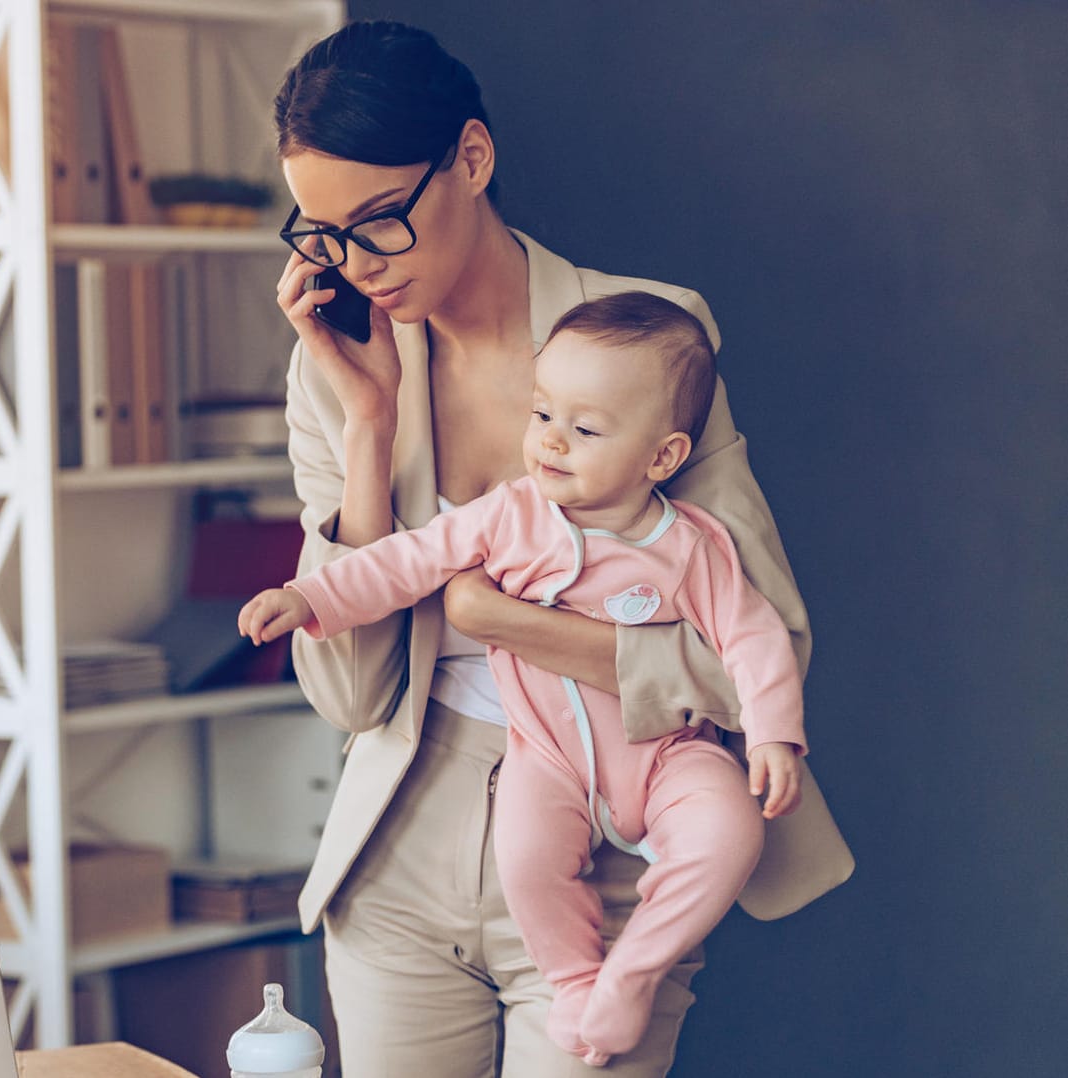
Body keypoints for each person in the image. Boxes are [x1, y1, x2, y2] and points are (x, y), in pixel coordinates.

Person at [268, 19, 854, 1078]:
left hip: (613, 845)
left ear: (473, 160)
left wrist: (508, 624)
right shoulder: (335, 371)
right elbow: (351, 697)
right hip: (400, 846)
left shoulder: (650, 340)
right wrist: (367, 427)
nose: (353, 265)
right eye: (319, 233)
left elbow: (756, 654)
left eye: (379, 221)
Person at [241, 292, 806, 1066]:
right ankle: (575, 978)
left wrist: (774, 736)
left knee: (729, 831)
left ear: (662, 457)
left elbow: (754, 637)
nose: (549, 443)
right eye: (542, 416)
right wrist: (308, 597)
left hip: (668, 754)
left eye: (585, 430)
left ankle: (630, 972)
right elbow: (405, 562)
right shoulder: (508, 513)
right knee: (526, 853)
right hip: (543, 758)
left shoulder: (690, 544)